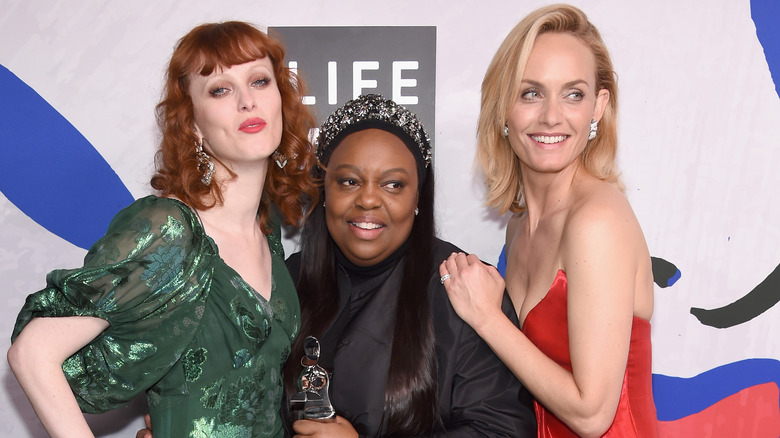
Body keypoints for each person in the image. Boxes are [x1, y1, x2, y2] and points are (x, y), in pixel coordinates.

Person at [8, 21, 317, 437]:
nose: (248, 101)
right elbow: (33, 352)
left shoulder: (267, 233)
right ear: (192, 125)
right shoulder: (170, 231)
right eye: (220, 89)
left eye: (259, 81)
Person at [439, 5, 658, 437]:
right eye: (531, 93)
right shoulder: (519, 224)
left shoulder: (597, 220)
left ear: (599, 105)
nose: (552, 116)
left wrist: (487, 318)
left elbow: (592, 415)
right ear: (503, 107)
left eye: (573, 94)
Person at [284, 94, 536, 437]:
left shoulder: (459, 290)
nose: (369, 199)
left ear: (418, 197)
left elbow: (501, 430)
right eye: (349, 181)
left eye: (393, 185)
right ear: (324, 189)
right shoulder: (288, 281)